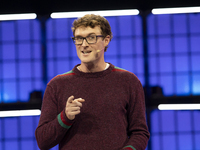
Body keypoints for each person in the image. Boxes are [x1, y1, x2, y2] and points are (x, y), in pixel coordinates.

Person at [35, 14, 150, 150]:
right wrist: (65, 117)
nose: (84, 45)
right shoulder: (57, 85)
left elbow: (140, 133)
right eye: (78, 39)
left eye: (91, 38)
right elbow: (42, 140)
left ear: (106, 40)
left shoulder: (129, 81)